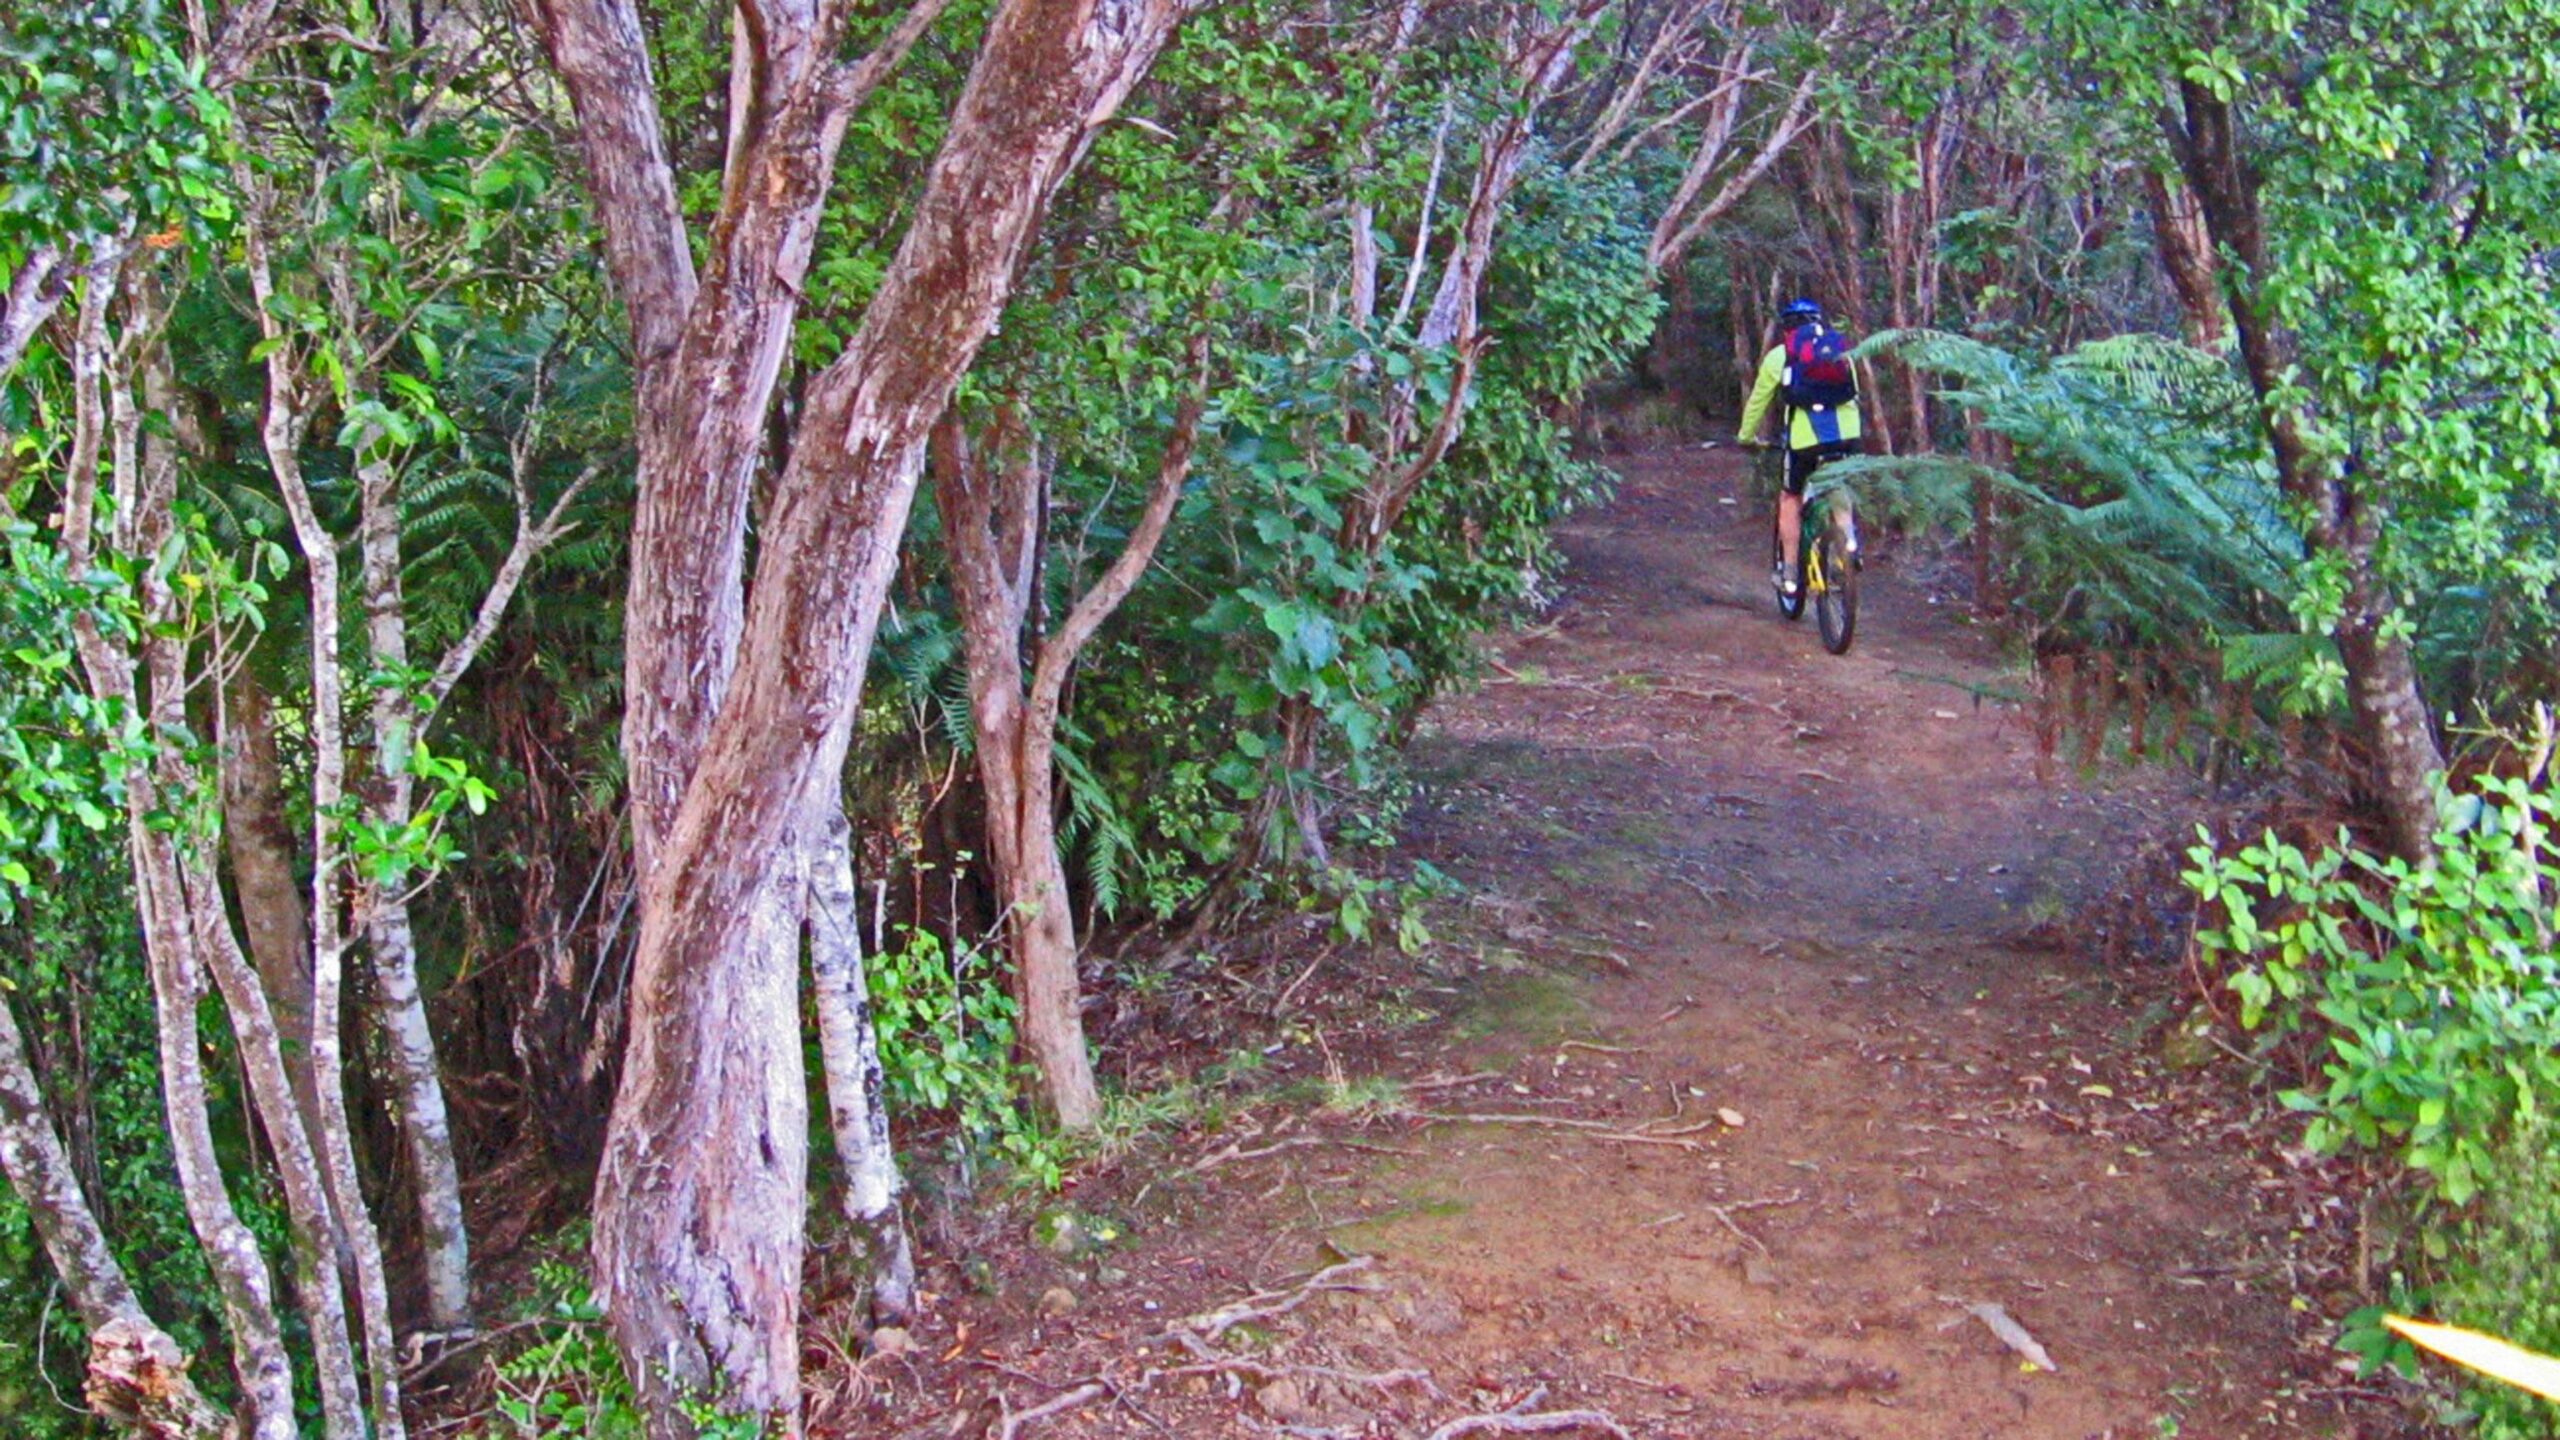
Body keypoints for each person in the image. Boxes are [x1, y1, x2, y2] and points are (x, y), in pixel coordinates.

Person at [1738, 297, 1863, 597]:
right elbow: (1853, 391)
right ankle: (1849, 542)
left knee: (1790, 497)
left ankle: (1791, 572)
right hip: (1847, 434)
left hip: (1804, 440)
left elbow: (1758, 401)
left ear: (1787, 331)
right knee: (1838, 485)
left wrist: (1746, 436)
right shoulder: (1840, 350)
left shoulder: (1780, 356)